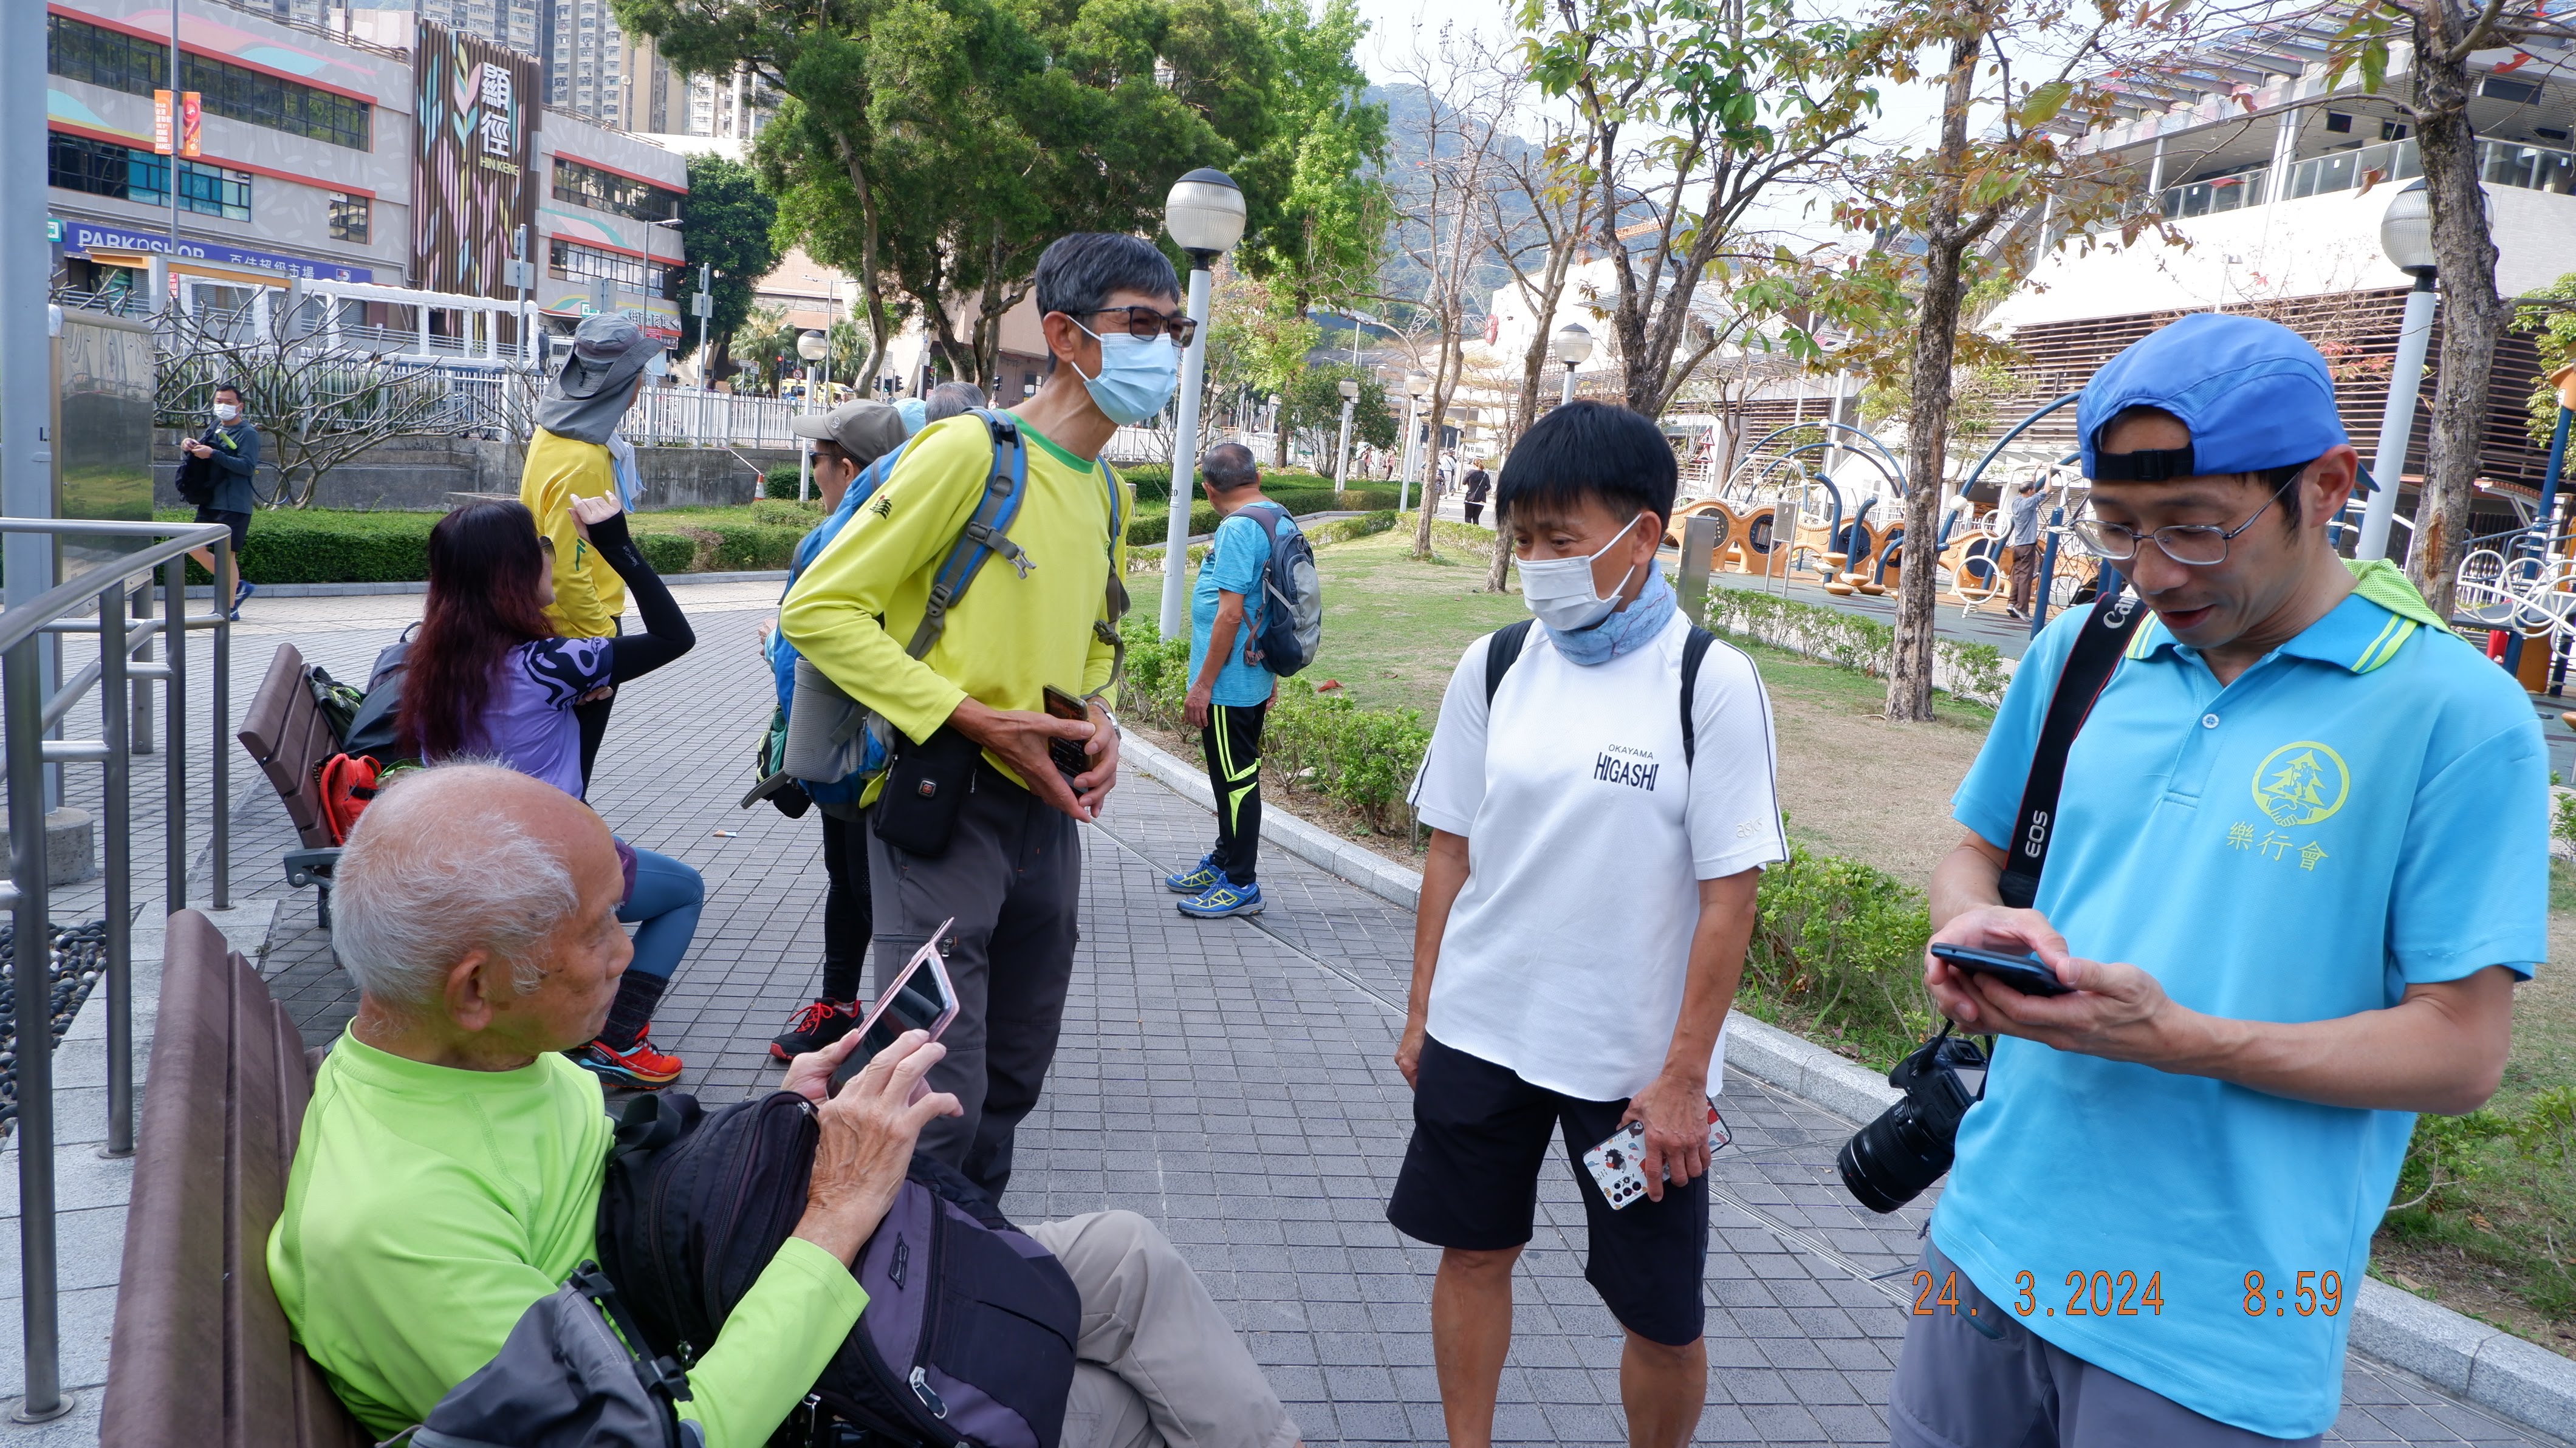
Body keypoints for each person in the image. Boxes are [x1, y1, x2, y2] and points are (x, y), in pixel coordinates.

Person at [1892, 313, 2541, 1447]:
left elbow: (2461, 1049)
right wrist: (1972, 922)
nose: (2153, 571)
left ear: (2325, 486)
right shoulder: (2087, 648)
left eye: (2196, 528)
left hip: (2217, 1328)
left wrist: (2183, 1039)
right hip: (1984, 1247)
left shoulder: (2456, 712)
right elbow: (1975, 853)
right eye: (2118, 528)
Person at [270, 763, 1307, 1448]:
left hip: (718, 1295)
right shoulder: (395, 1230)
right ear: (475, 985)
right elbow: (674, 1433)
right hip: (737, 1383)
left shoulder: (476, 1053)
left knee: (1124, 1255)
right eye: (598, 932)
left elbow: (616, 1179)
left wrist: (773, 1121)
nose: (628, 949)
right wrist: (834, 1213)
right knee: (1119, 1410)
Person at [1391, 401, 1785, 1448]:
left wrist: (1685, 1077)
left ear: (1642, 535)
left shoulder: (1710, 682)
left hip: (1633, 1068)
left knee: (1659, 1311)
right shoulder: (1496, 663)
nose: (1536, 564)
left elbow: (1730, 896)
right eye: (1523, 539)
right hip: (1483, 1028)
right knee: (1473, 1252)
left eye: (1559, 540)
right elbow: (1449, 848)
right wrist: (1423, 1012)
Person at [779, 233, 1166, 1199]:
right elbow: (819, 609)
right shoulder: (970, 453)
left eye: (1178, 330)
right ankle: (878, 1271)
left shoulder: (1107, 491)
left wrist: (1100, 721)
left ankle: (969, 1262)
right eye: (1142, 325)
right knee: (931, 1087)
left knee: (1013, 1076)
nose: (1165, 349)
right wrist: (967, 717)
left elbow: (1088, 649)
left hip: (1047, 813)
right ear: (1066, 336)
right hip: (939, 803)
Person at [396, 496, 702, 1090]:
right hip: (543, 867)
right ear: (513, 572)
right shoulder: (552, 663)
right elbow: (673, 636)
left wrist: (583, 704)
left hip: (460, 863)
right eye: (539, 544)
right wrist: (616, 544)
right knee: (684, 892)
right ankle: (618, 1039)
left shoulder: (424, 661)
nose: (549, 554)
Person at [764, 397, 925, 1060]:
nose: (816, 471)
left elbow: (794, 655)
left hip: (854, 750)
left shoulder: (834, 541)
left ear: (850, 468)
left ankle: (891, 1032)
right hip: (899, 743)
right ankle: (843, 1008)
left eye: (819, 459)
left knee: (866, 887)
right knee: (857, 882)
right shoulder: (920, 530)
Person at [521, 313, 668, 792]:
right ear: (628, 383)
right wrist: (604, 650)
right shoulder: (585, 458)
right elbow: (567, 572)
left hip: (550, 625)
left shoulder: (552, 431)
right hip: (582, 628)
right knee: (569, 782)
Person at [1165, 442, 1295, 920]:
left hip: (1230, 682)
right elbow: (1275, 602)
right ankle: (1224, 860)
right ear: (1255, 478)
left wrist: (1203, 686)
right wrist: (1272, 671)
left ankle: (1241, 883)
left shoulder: (1239, 528)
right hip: (1253, 670)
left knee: (1236, 780)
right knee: (1231, 776)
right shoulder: (1277, 516)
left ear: (1208, 489)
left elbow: (1230, 614)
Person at [181, 382, 259, 618]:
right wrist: (190, 445)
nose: (223, 406)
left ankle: (229, 607)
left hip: (234, 503)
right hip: (210, 500)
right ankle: (237, 586)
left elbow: (247, 466)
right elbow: (205, 454)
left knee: (228, 554)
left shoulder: (248, 433)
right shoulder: (215, 426)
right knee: (193, 547)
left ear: (240, 406)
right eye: (219, 401)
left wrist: (214, 454)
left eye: (229, 402)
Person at [2004, 471, 2049, 618]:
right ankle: (2022, 608)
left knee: (2017, 575)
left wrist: (2035, 471)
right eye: (2033, 489)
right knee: (2025, 577)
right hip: (2027, 545)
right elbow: (2048, 489)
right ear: (2030, 491)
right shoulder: (2030, 502)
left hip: (2017, 546)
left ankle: (2012, 603)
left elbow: (2029, 485)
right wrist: (2049, 472)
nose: (2035, 491)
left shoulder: (2016, 501)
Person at [1461, 461, 1492, 527]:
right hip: (1481, 499)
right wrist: (1482, 491)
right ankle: (1475, 531)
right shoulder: (1485, 475)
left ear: (1474, 465)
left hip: (1470, 498)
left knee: (1468, 517)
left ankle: (1468, 531)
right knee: (1476, 518)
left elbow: (1464, 482)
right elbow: (1488, 487)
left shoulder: (1470, 473)